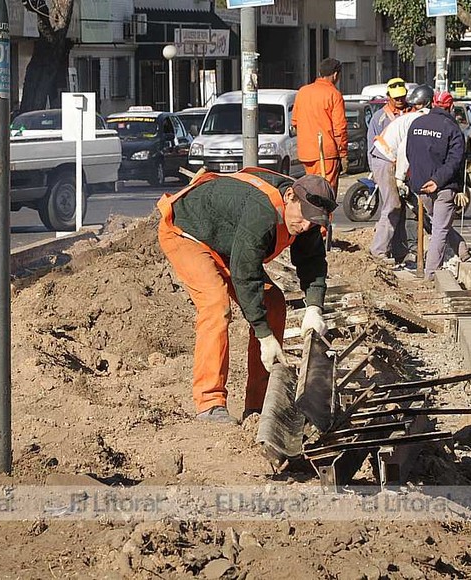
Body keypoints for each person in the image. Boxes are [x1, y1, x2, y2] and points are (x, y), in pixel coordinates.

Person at [157, 169, 336, 424]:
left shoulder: (306, 214)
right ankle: (209, 403)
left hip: (227, 241)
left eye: (314, 222)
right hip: (188, 233)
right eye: (304, 217)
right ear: (289, 196)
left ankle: (259, 406)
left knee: (273, 303)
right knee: (215, 304)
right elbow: (245, 274)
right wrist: (264, 335)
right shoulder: (261, 212)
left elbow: (312, 261)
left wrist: (314, 308)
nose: (306, 226)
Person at [405, 91, 471, 279]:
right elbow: (455, 161)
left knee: (439, 223)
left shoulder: (417, 124)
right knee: (440, 230)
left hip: (421, 186)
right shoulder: (452, 129)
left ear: (432, 104)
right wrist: (437, 181)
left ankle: (463, 251)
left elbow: (410, 154)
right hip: (443, 186)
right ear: (451, 107)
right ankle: (431, 274)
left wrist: (420, 180)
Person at [366, 77, 410, 264]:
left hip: (404, 166)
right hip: (385, 163)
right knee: (392, 205)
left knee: (402, 208)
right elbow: (371, 145)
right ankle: (379, 250)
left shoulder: (410, 112)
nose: (399, 100)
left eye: (402, 97)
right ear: (388, 97)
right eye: (396, 98)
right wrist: (375, 172)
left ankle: (400, 250)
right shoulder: (379, 118)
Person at [291, 58, 348, 193]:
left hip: (306, 153)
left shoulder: (303, 92)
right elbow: (339, 128)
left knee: (311, 190)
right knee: (326, 192)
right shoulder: (334, 94)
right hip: (325, 152)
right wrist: (343, 153)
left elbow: (295, 123)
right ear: (335, 75)